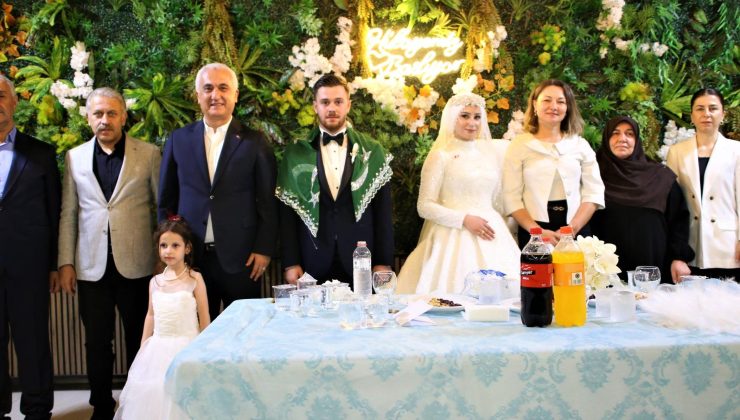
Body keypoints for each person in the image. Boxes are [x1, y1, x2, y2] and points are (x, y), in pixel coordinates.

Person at [58, 87, 161, 419]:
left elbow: (161, 210)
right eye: (98, 114)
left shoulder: (148, 154)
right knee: (97, 342)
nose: (105, 120)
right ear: (88, 118)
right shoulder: (74, 157)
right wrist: (66, 262)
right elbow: (69, 213)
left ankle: (137, 406)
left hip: (138, 264)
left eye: (111, 113)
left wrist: (163, 260)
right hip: (91, 267)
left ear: (123, 117)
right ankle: (101, 407)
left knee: (140, 340)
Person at [158, 63, 279, 320]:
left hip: (243, 258)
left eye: (223, 88)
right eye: (208, 88)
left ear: (235, 95)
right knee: (197, 331)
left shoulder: (255, 142)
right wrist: (169, 249)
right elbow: (166, 200)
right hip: (192, 259)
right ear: (198, 96)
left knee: (244, 331)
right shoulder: (178, 139)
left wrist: (264, 248)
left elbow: (267, 201)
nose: (216, 95)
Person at [396, 92, 520, 294]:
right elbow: (424, 206)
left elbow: (497, 199)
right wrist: (464, 219)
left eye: (477, 117)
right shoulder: (440, 156)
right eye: (465, 116)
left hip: (492, 233)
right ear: (452, 118)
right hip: (452, 235)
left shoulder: (489, 155)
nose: (472, 123)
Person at [277, 73, 394, 286]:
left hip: (361, 261)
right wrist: (291, 262)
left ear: (348, 105)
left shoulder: (372, 151)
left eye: (338, 101)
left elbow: (383, 213)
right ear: (315, 106)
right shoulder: (296, 153)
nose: (332, 108)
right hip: (312, 260)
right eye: (325, 102)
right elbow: (287, 216)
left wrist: (383, 262)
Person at [0, 75, 59, 420]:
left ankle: (37, 409)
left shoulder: (41, 154)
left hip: (30, 266)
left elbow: (54, 212)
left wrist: (53, 265)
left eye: (1, 96)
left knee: (33, 340)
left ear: (14, 102)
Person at [114, 217, 209, 420]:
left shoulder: (195, 278)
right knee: (155, 390)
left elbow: (204, 315)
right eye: (163, 245)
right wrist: (144, 345)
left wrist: (203, 347)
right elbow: (150, 314)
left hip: (187, 344)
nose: (168, 251)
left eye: (175, 245)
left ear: (187, 248)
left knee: (183, 392)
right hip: (158, 346)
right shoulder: (155, 282)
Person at [590, 116, 694, 283]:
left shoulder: (660, 176)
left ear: (637, 140)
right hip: (603, 273)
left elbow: (678, 221)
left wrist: (679, 258)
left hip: (653, 270)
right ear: (606, 138)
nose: (622, 139)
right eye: (615, 133)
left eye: (629, 134)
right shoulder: (592, 176)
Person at [503, 79, 605, 248]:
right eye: (547, 100)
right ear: (535, 104)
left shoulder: (580, 145)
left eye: (561, 101)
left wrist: (572, 229)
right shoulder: (519, 145)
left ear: (568, 107)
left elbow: (594, 192)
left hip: (576, 228)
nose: (554, 106)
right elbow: (511, 197)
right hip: (533, 230)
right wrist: (537, 232)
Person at [666, 88, 740, 280]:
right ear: (692, 116)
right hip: (691, 243)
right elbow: (674, 204)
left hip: (728, 244)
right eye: (700, 108)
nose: (706, 114)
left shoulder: (736, 151)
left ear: (723, 114)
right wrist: (676, 250)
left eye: (713, 108)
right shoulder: (677, 152)